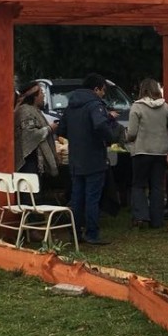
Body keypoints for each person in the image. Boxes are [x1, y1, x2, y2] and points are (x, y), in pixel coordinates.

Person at [57, 73, 116, 245]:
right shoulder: (95, 105)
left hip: (75, 159)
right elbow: (100, 125)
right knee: (92, 197)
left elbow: (61, 129)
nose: (103, 94)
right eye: (103, 90)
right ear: (96, 89)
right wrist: (110, 137)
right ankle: (92, 233)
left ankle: (75, 232)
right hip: (94, 159)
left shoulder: (71, 105)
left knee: (77, 197)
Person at [126, 78, 168, 229]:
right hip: (160, 152)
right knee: (157, 187)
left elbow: (132, 132)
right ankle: (157, 220)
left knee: (139, 185)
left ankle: (141, 217)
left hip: (141, 151)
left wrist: (125, 137)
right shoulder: (166, 107)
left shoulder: (137, 106)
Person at [14, 81, 60, 205]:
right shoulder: (25, 111)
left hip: (34, 159)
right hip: (29, 159)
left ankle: (34, 218)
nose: (43, 96)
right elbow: (29, 135)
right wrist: (50, 129)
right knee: (30, 193)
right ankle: (31, 219)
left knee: (34, 191)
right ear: (34, 96)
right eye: (41, 93)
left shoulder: (33, 110)